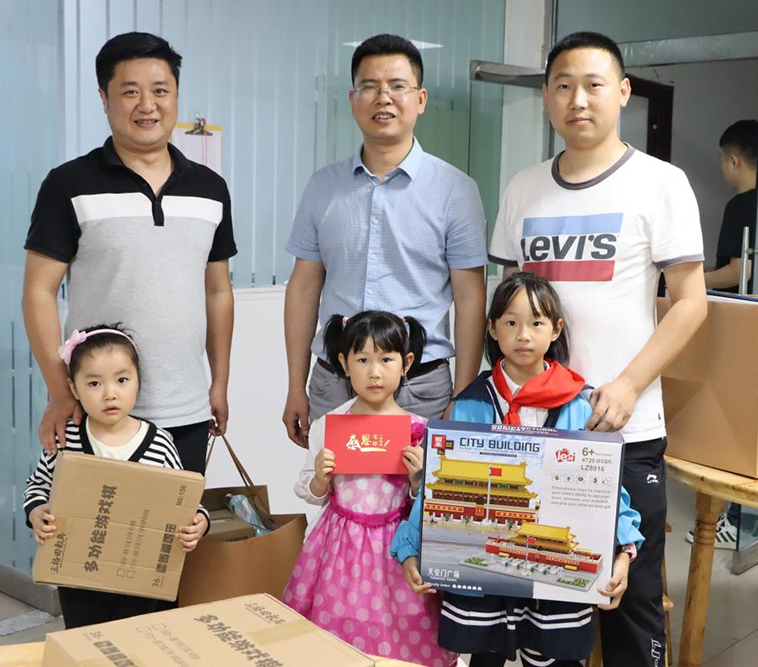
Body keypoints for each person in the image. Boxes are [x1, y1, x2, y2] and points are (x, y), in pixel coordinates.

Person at [487, 32, 707, 665]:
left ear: (624, 92)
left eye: (593, 85)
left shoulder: (660, 183)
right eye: (563, 85)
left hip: (622, 427)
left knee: (629, 597)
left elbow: (691, 302)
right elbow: (509, 304)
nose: (577, 99)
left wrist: (629, 384)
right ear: (546, 96)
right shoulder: (524, 187)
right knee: (539, 588)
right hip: (534, 428)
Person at [391, 272, 644, 667]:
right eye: (511, 322)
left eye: (536, 323)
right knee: (485, 656)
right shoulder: (469, 405)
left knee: (555, 659)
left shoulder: (580, 405)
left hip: (555, 576)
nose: (523, 335)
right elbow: (438, 487)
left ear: (555, 329)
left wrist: (622, 552)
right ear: (492, 328)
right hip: (482, 575)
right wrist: (411, 549)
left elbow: (607, 488)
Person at [22, 32, 236, 475]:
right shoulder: (68, 184)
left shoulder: (211, 188)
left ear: (176, 96)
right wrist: (60, 391)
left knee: (178, 522)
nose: (148, 105)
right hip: (97, 411)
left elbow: (218, 292)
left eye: (160, 90)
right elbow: (38, 293)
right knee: (92, 521)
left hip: (186, 409)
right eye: (130, 92)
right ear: (104, 98)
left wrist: (219, 382)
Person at [282, 33, 488, 448]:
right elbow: (303, 287)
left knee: (416, 489)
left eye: (397, 86)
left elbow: (470, 297)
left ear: (421, 99)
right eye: (369, 87)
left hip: (420, 387)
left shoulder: (455, 190)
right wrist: (295, 386)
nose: (383, 98)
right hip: (335, 384)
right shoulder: (323, 187)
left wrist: (463, 395)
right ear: (352, 99)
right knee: (333, 487)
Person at [281, 311, 457, 667]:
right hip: (339, 549)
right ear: (344, 363)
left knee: (402, 631)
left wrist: (418, 480)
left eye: (386, 359)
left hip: (397, 551)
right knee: (336, 631)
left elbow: (427, 505)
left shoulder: (420, 429)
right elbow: (310, 490)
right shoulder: (328, 426)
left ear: (406, 363)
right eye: (362, 360)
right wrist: (320, 479)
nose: (375, 372)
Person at [23, 325, 209, 629]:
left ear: (138, 382)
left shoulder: (159, 442)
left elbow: (182, 499)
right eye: (94, 383)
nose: (110, 393)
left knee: (134, 640)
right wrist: (36, 512)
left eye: (122, 380)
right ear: (74, 389)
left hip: (137, 574)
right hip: (77, 574)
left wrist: (199, 521)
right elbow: (39, 484)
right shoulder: (67, 438)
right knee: (84, 641)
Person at [704, 119, 758, 294]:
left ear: (734, 162)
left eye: (722, 160)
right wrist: (716, 272)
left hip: (741, 306)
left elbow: (740, 271)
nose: (722, 168)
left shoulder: (739, 206)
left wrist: (697, 281)